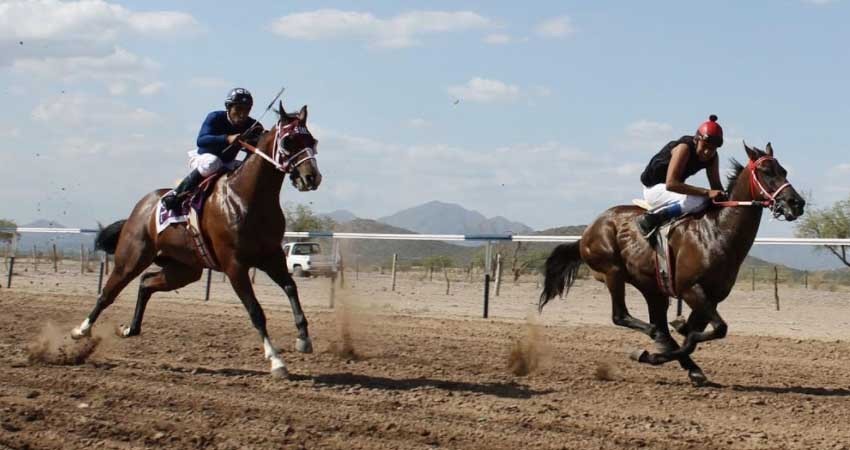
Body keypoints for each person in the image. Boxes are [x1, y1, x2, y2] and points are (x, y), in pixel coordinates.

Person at [161, 87, 263, 211]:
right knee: (212, 162)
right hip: (204, 158)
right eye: (238, 108)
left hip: (228, 162)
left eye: (247, 110)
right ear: (229, 107)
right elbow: (201, 140)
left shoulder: (252, 125)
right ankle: (176, 194)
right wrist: (227, 139)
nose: (242, 114)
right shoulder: (215, 117)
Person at [637, 115, 726, 238]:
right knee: (699, 199)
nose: (707, 152)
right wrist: (707, 192)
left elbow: (716, 188)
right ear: (696, 140)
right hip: (653, 189)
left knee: (708, 201)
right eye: (705, 146)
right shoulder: (684, 148)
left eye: (712, 149)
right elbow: (671, 184)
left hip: (670, 191)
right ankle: (652, 219)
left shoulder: (713, 157)